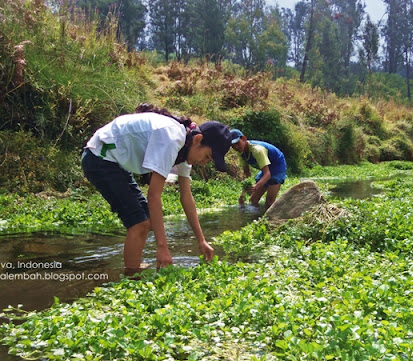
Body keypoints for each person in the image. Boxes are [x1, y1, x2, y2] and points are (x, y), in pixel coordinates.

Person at [81, 104, 232, 275]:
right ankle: (131, 277)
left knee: (147, 220)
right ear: (198, 140)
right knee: (139, 223)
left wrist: (201, 240)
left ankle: (133, 265)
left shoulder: (185, 148)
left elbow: (186, 197)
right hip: (99, 158)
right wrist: (163, 248)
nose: (204, 162)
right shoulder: (172, 138)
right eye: (207, 157)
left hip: (115, 162)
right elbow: (153, 195)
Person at [230, 129, 287, 209]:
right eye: (232, 146)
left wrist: (256, 186)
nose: (236, 147)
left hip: (277, 165)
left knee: (269, 202)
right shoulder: (241, 152)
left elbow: (267, 174)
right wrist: (243, 194)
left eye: (237, 143)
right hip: (266, 168)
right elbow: (247, 173)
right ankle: (257, 218)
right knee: (253, 200)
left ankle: (272, 219)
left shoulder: (257, 150)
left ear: (243, 138)